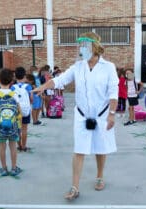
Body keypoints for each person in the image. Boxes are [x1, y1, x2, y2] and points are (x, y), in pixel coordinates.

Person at [33, 32, 119, 200]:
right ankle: (75, 187)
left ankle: (100, 176)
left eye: (85, 45)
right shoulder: (78, 66)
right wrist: (43, 86)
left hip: (101, 115)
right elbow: (60, 80)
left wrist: (112, 114)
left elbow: (113, 92)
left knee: (100, 148)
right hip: (82, 115)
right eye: (81, 46)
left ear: (94, 47)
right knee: (79, 150)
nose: (81, 49)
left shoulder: (108, 67)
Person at [0, 68, 23, 177]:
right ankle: (14, 168)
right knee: (13, 146)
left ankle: (4, 169)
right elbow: (19, 112)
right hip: (13, 127)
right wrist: (19, 128)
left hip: (0, 127)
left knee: (2, 146)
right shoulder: (14, 94)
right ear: (11, 81)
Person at [12, 67, 33, 152]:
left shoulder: (12, 87)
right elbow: (31, 98)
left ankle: (19, 145)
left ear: (15, 77)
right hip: (26, 110)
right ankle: (24, 146)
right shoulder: (28, 86)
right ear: (24, 76)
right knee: (24, 129)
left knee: (18, 129)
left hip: (17, 110)